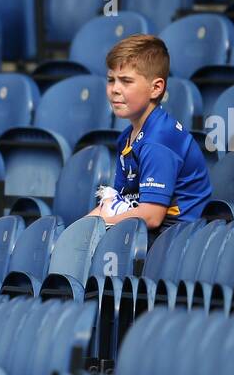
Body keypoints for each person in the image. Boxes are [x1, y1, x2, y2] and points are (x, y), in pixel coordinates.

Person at [87, 34, 212, 233]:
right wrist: (77, 231)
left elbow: (151, 216)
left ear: (155, 88)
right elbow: (120, 202)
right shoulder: (126, 138)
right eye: (111, 80)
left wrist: (97, 227)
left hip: (176, 241)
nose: (115, 89)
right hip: (144, 237)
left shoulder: (159, 140)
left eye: (126, 81)